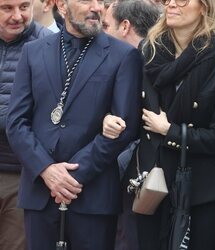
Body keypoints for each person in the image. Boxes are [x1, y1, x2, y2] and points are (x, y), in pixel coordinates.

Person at [102, 0, 215, 249]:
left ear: (204, 7)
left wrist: (170, 131)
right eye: (167, 0)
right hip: (151, 183)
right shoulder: (148, 52)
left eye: (181, 0)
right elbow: (130, 114)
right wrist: (110, 120)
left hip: (200, 188)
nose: (171, 5)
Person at [6, 0, 142, 249]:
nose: (97, 8)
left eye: (101, 1)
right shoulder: (33, 51)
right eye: (86, 0)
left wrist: (73, 176)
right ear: (61, 5)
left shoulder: (124, 55)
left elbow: (127, 126)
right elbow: (16, 122)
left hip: (93, 194)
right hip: (39, 192)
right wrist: (46, 170)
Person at [103, 1, 159, 249]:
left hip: (142, 180)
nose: (101, 33)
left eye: (106, 25)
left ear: (125, 26)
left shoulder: (152, 66)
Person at [0, 0, 52, 249]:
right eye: (6, 8)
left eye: (24, 6)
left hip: (22, 175)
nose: (17, 16)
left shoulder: (48, 45)